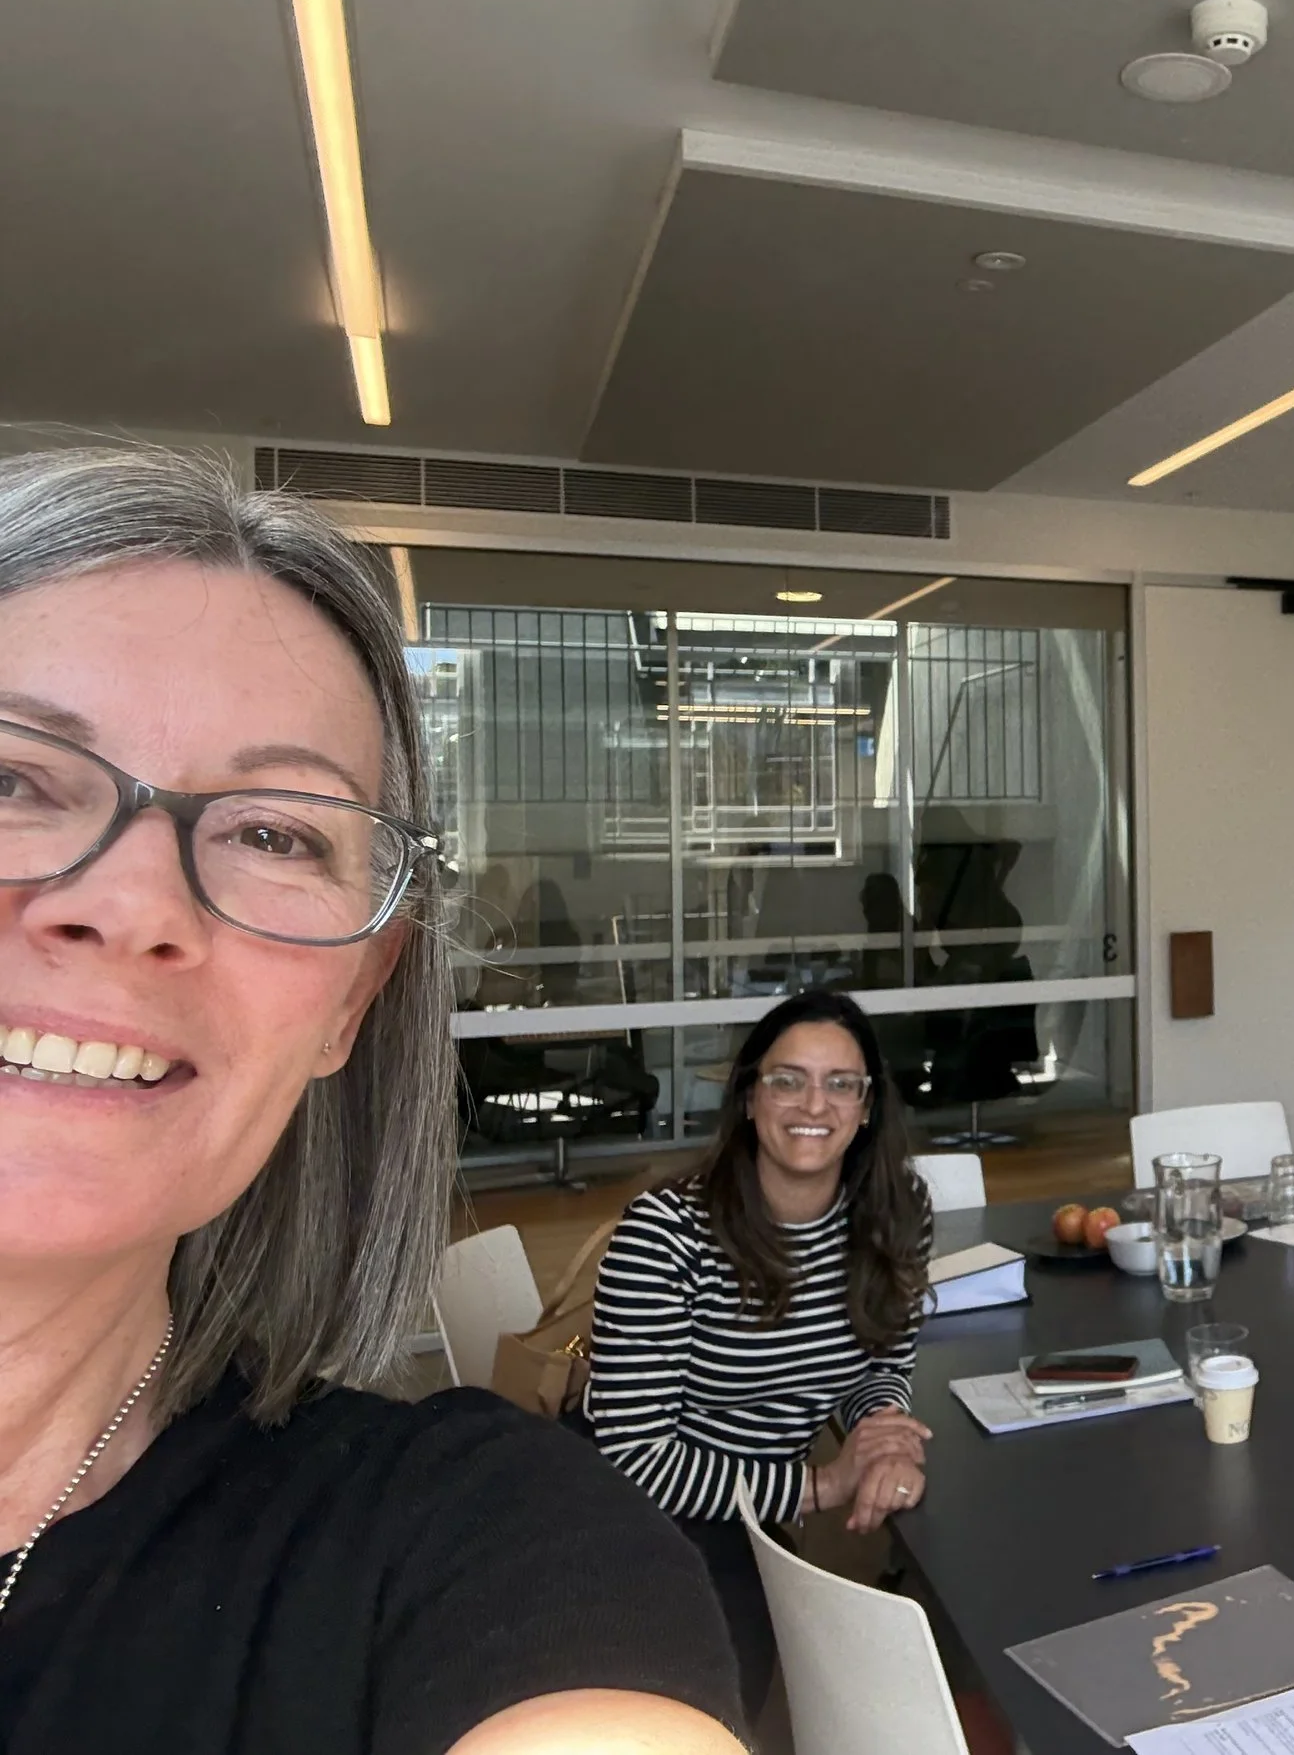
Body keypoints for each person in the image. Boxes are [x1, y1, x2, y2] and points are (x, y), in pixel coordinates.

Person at [0, 446, 742, 1753]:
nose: (128, 905)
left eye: (275, 831)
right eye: (10, 777)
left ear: (354, 997)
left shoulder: (478, 1544)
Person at [587, 987, 935, 1720]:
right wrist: (817, 1487)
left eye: (842, 1083)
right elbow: (633, 1457)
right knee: (700, 1700)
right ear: (749, 1097)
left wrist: (883, 1436)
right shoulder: (667, 1232)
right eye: (788, 1079)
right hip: (634, 1508)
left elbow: (880, 1360)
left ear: (867, 1106)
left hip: (754, 1505)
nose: (816, 1103)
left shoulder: (894, 1210)